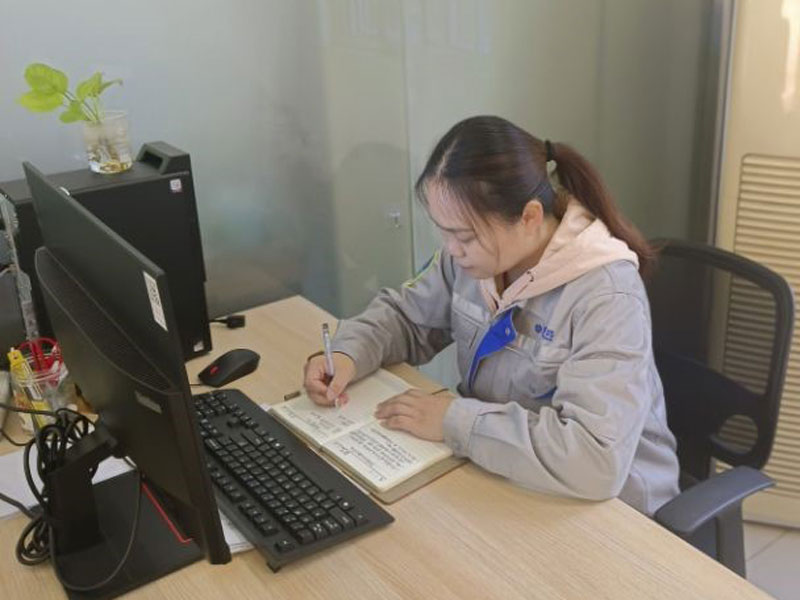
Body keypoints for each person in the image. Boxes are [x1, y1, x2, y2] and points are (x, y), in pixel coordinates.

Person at [303, 115, 680, 516]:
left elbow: (595, 459)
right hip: (501, 470)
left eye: (464, 236)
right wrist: (348, 353)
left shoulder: (606, 294)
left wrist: (455, 421)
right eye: (443, 231)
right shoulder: (473, 261)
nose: (451, 249)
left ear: (529, 217)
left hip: (611, 509)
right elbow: (406, 317)